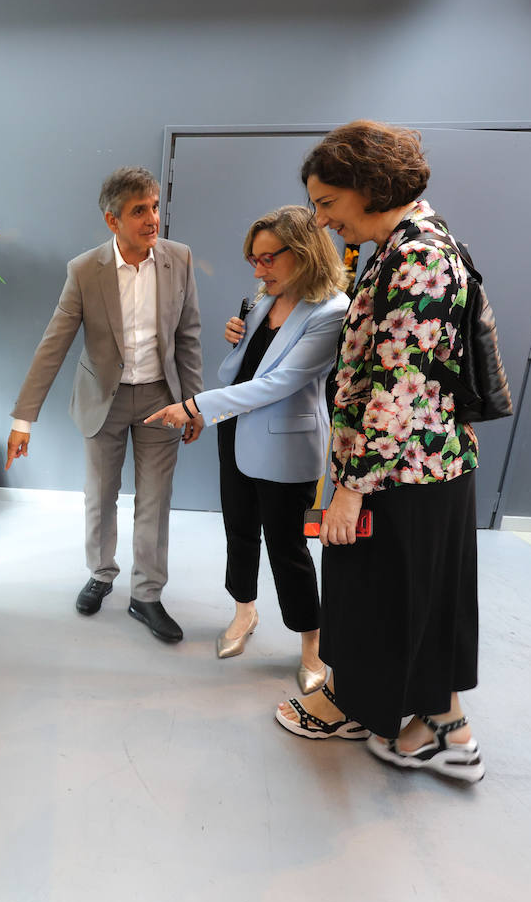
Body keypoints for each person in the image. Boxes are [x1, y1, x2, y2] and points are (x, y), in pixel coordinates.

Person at [273, 120, 485, 783]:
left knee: (388, 599)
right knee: (402, 601)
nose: (321, 218)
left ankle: (397, 719)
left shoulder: (417, 257)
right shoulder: (407, 244)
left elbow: (403, 389)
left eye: (328, 203)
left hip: (400, 473)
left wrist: (351, 487)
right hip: (415, 467)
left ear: (368, 189)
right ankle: (423, 723)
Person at [146, 206, 347, 692]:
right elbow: (235, 373)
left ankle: (311, 646)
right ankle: (244, 613)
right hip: (235, 435)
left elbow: (278, 383)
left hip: (285, 446)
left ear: (302, 253)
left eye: (266, 259)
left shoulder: (332, 311)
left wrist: (192, 406)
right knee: (239, 531)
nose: (258, 270)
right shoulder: (261, 302)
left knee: (287, 549)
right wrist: (239, 338)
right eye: (253, 260)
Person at [5, 166, 202, 642]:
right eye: (140, 211)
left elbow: (187, 333)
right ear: (112, 221)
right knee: (100, 494)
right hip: (102, 399)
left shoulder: (179, 259)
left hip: (161, 397)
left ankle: (147, 596)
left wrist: (194, 402)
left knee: (156, 499)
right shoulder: (84, 270)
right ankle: (100, 573)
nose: (152, 218)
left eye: (154, 206)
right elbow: (53, 345)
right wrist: (22, 419)